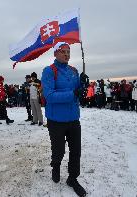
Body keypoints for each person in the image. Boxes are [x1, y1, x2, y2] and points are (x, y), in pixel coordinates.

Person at [41, 42, 86, 196]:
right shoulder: (49, 71)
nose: (66, 54)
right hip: (56, 120)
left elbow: (80, 91)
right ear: (55, 53)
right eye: (63, 52)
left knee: (76, 152)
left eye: (68, 52)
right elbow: (49, 95)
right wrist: (73, 94)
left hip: (73, 118)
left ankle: (73, 178)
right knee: (59, 150)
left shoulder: (74, 70)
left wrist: (84, 83)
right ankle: (56, 165)